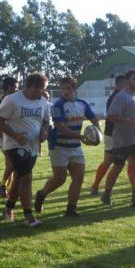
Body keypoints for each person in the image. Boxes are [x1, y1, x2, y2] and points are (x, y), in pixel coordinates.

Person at [34, 76, 99, 217]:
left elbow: (94, 118)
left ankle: (71, 209)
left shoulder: (82, 104)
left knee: (79, 178)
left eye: (68, 88)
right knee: (60, 179)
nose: (65, 91)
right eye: (63, 88)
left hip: (75, 147)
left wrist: (97, 132)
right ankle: (42, 194)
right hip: (59, 146)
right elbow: (60, 127)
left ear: (74, 90)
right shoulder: (58, 105)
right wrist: (80, 137)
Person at [0, 73, 51, 227]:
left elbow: (46, 122)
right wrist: (15, 135)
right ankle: (28, 216)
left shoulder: (43, 102)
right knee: (27, 177)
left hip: (33, 147)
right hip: (14, 146)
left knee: (19, 178)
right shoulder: (12, 99)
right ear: (32, 86)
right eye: (42, 88)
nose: (44, 92)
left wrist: (44, 132)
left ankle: (8, 208)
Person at [100, 69, 135, 208]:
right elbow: (111, 115)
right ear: (128, 80)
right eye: (134, 78)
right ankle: (106, 194)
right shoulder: (121, 96)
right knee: (117, 167)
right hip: (122, 140)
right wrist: (128, 121)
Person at [90, 74, 127, 195]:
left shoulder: (122, 96)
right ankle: (95, 185)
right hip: (112, 135)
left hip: (123, 135)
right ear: (119, 85)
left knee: (133, 161)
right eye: (125, 84)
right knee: (108, 162)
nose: (127, 86)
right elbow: (113, 117)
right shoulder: (115, 98)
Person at [0, 77, 18, 199]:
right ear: (9, 87)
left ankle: (6, 188)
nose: (17, 89)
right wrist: (4, 135)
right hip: (2, 136)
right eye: (16, 87)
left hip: (12, 136)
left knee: (11, 163)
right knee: (12, 161)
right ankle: (3, 186)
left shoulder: (15, 99)